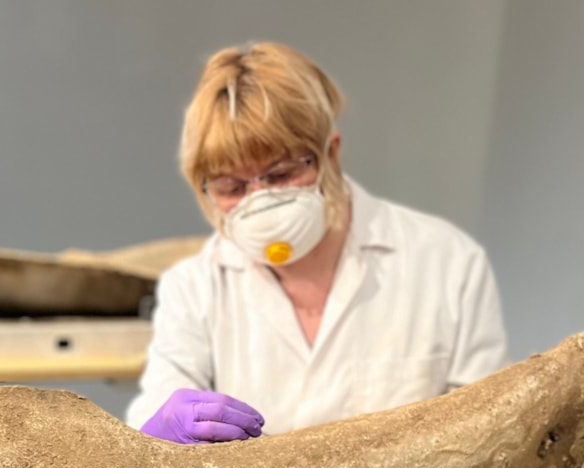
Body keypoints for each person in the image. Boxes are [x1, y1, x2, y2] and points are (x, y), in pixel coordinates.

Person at [126, 42, 509, 444]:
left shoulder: (448, 263)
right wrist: (157, 435)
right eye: (232, 187)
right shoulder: (194, 289)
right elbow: (154, 419)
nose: (260, 201)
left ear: (331, 154)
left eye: (281, 174)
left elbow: (490, 435)